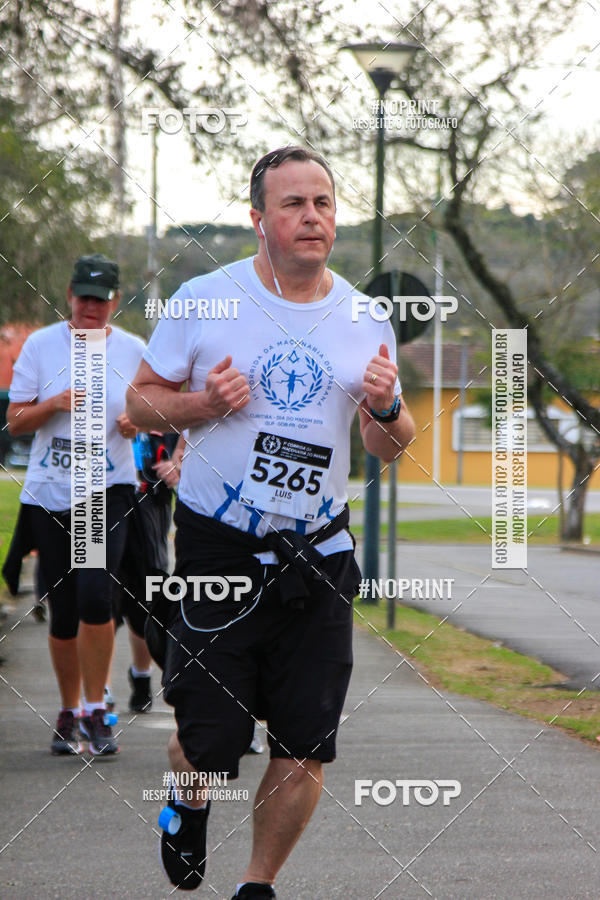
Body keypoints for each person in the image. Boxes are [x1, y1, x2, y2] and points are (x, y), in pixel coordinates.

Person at [126, 146, 415, 899]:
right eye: (293, 204)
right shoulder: (203, 300)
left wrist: (386, 409)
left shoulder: (363, 315)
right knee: (212, 745)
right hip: (221, 547)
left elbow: (388, 442)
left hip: (318, 551)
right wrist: (202, 406)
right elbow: (138, 403)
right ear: (258, 220)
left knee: (305, 743)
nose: (312, 216)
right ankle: (187, 809)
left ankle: (257, 884)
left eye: (322, 201)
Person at [7, 253, 145, 756]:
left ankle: (95, 708)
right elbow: (16, 421)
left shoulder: (133, 351)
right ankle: (68, 711)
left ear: (115, 302)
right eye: (83, 297)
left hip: (102, 493)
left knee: (94, 596)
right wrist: (53, 404)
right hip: (50, 494)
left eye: (101, 299)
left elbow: (152, 412)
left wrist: (136, 422)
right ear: (69, 296)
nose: (91, 307)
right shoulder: (43, 346)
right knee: (63, 612)